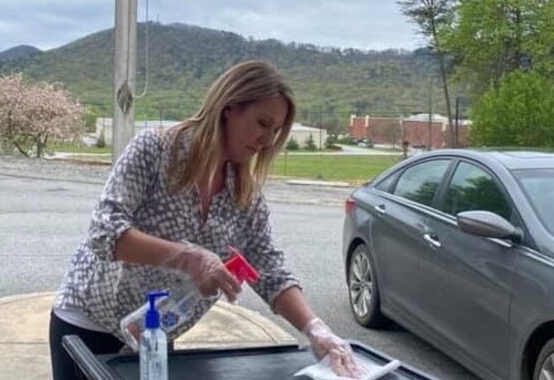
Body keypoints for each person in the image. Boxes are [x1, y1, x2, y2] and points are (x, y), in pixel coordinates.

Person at [49, 60, 363, 379]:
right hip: (88, 323)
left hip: (155, 334)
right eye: (262, 123)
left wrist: (316, 329)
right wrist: (188, 258)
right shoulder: (156, 151)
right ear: (229, 108)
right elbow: (104, 233)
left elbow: (269, 269)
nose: (268, 140)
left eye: (277, 130)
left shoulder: (245, 192)